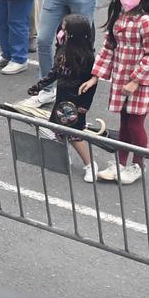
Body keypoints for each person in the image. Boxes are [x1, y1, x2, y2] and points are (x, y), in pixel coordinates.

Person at [88, 0, 149, 184]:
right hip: (122, 77)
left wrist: (135, 80)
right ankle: (120, 163)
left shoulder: (147, 22)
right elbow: (108, 48)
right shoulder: (118, 17)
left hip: (141, 81)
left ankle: (137, 165)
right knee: (124, 122)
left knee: (135, 123)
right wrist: (96, 75)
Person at [41, 15, 102, 181]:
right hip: (62, 98)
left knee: (75, 135)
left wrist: (84, 105)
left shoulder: (86, 58)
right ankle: (62, 158)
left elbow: (91, 85)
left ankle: (90, 164)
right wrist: (40, 85)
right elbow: (55, 72)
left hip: (76, 103)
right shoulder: (63, 50)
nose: (61, 32)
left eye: (65, 29)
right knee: (59, 130)